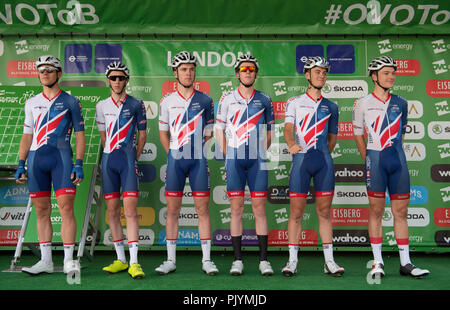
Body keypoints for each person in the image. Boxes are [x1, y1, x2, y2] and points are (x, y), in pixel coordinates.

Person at [353, 56, 430, 279]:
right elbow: (358, 135)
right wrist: (368, 158)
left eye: (393, 73)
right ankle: (377, 262)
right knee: (376, 211)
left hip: (398, 161)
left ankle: (405, 263)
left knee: (401, 212)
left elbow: (402, 135)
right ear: (374, 76)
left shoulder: (402, 103)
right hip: (375, 162)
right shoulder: (362, 103)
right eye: (387, 73)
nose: (392, 77)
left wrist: (394, 155)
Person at [15, 55, 86, 276]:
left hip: (61, 159)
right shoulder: (31, 103)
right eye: (41, 70)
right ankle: (45, 261)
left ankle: (68, 260)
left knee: (66, 209)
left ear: (59, 74)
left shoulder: (71, 102)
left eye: (50, 70)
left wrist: (79, 163)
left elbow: (80, 135)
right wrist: (20, 162)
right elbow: (27, 136)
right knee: (41, 210)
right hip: (36, 160)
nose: (45, 73)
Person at [157, 51, 218, 275]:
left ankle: (207, 260)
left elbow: (209, 132)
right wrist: (173, 153)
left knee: (202, 209)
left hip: (198, 160)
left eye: (191, 69)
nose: (188, 73)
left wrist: (196, 150)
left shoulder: (205, 100)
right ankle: (170, 260)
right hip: (176, 160)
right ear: (175, 72)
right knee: (172, 211)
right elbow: (163, 133)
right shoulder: (167, 101)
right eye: (183, 69)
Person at [282, 56, 344, 277]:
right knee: (296, 213)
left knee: (325, 213)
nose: (321, 76)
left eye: (324, 72)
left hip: (324, 162)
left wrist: (323, 153)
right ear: (307, 75)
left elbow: (332, 138)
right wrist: (291, 144)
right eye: (317, 72)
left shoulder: (332, 106)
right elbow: (288, 129)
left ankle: (329, 262)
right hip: (301, 162)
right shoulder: (295, 102)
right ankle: (292, 261)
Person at [215, 53, 275, 276]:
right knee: (236, 209)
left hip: (258, 161)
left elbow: (270, 132)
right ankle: (237, 260)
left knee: (260, 209)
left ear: (256, 73)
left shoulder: (265, 99)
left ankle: (263, 260)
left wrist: (260, 151)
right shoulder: (226, 99)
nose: (247, 72)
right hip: (234, 160)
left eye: (251, 69)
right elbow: (219, 130)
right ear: (237, 73)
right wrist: (228, 154)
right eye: (243, 69)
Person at [96, 61, 147, 279]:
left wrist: (131, 158)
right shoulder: (101, 106)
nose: (117, 82)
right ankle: (121, 259)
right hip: (109, 162)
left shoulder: (137, 104)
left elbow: (142, 135)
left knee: (131, 212)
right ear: (108, 80)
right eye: (113, 78)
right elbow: (104, 137)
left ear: (127, 80)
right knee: (113, 211)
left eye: (121, 78)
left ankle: (135, 262)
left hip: (127, 162)